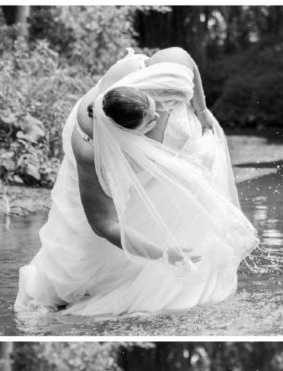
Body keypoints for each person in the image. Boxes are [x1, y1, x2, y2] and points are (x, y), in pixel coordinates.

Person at [15, 47, 258, 316]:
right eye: (149, 121)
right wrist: (164, 253)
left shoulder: (154, 70)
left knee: (168, 203)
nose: (158, 117)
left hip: (140, 130)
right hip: (104, 152)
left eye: (157, 110)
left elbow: (188, 62)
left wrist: (201, 111)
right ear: (124, 133)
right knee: (84, 231)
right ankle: (93, 283)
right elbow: (105, 225)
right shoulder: (89, 149)